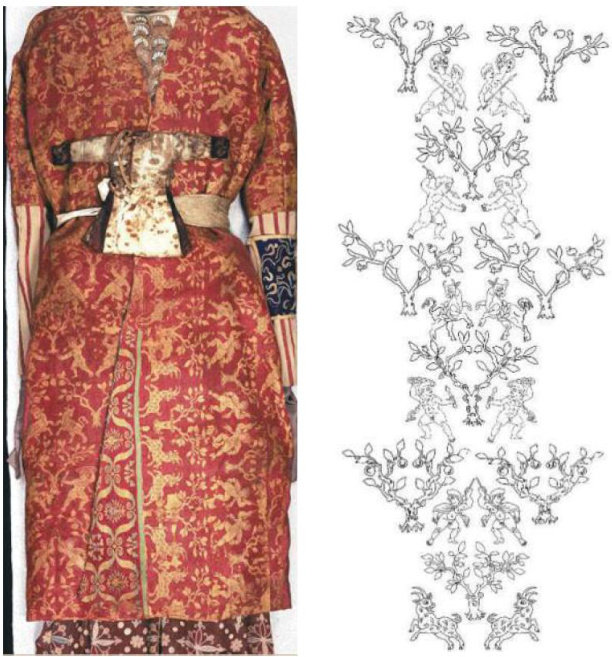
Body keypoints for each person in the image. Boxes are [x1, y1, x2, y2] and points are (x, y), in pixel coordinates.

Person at [7, 6, 296, 654]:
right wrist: (21, 382)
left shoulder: (243, 37)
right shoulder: (50, 36)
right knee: (81, 562)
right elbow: (23, 230)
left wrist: (288, 366)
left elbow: (277, 218)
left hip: (213, 338)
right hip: (79, 338)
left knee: (217, 551)